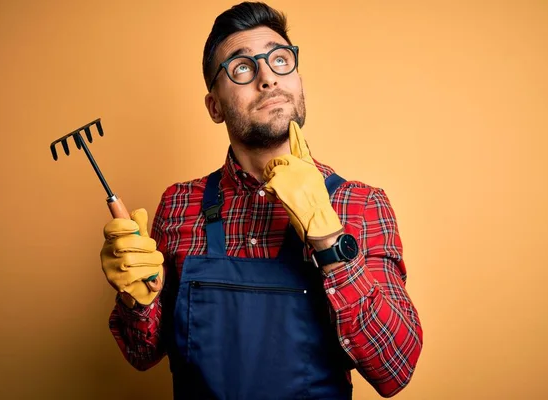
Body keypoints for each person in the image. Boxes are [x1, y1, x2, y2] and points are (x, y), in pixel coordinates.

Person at [100, 2, 423, 399]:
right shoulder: (179, 204)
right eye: (241, 67)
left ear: (299, 80)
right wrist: (138, 300)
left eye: (280, 59)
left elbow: (395, 369)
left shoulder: (360, 204)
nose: (267, 78)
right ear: (214, 106)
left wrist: (329, 238)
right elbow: (141, 353)